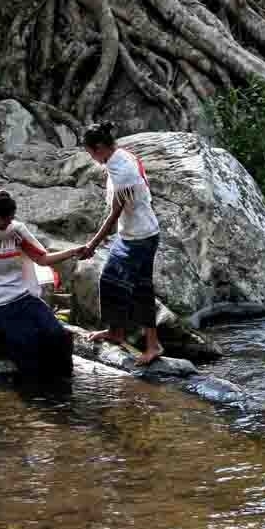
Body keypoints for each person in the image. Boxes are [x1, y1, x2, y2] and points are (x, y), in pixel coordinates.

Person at [0, 188, 85, 380]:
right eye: (5, 219)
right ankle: (36, 397)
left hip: (23, 297)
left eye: (11, 218)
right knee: (27, 345)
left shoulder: (16, 231)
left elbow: (42, 259)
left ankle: (65, 385)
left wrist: (73, 252)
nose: (9, 223)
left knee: (58, 335)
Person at [79, 122, 164, 366]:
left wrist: (92, 244)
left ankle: (152, 345)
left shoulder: (123, 170)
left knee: (139, 289)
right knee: (112, 281)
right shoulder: (118, 157)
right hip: (133, 233)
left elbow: (115, 212)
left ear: (100, 148)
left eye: (91, 153)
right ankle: (116, 332)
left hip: (141, 237)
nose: (92, 159)